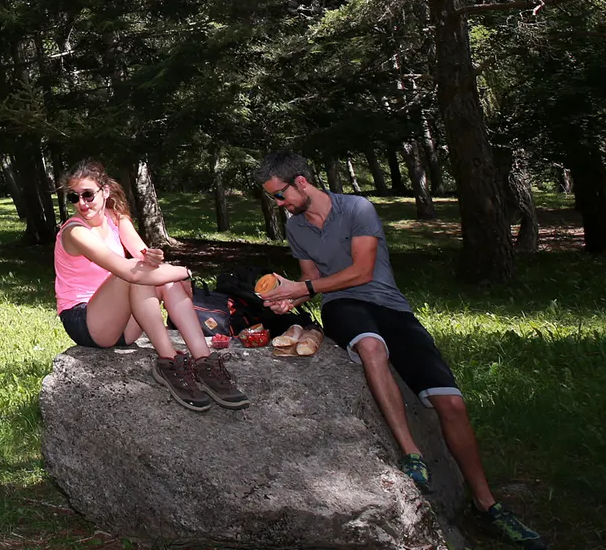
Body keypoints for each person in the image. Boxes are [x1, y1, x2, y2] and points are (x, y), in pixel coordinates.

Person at [254, 151, 546, 550]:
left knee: (451, 403)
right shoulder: (296, 229)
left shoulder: (357, 208)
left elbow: (362, 271)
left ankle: (488, 504)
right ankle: (412, 454)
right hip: (342, 307)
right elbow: (313, 279)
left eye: (280, 195)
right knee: (372, 348)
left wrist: (302, 290)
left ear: (301, 182)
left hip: (388, 303)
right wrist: (290, 298)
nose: (279, 204)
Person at [54, 159, 248, 412]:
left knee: (157, 278)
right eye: (74, 197)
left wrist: (153, 259)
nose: (82, 203)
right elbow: (128, 271)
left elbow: (142, 256)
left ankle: (204, 361)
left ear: (105, 192)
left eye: (88, 195)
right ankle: (169, 361)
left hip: (124, 323)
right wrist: (184, 272)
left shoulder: (116, 218)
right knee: (134, 274)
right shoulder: (75, 232)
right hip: (85, 321)